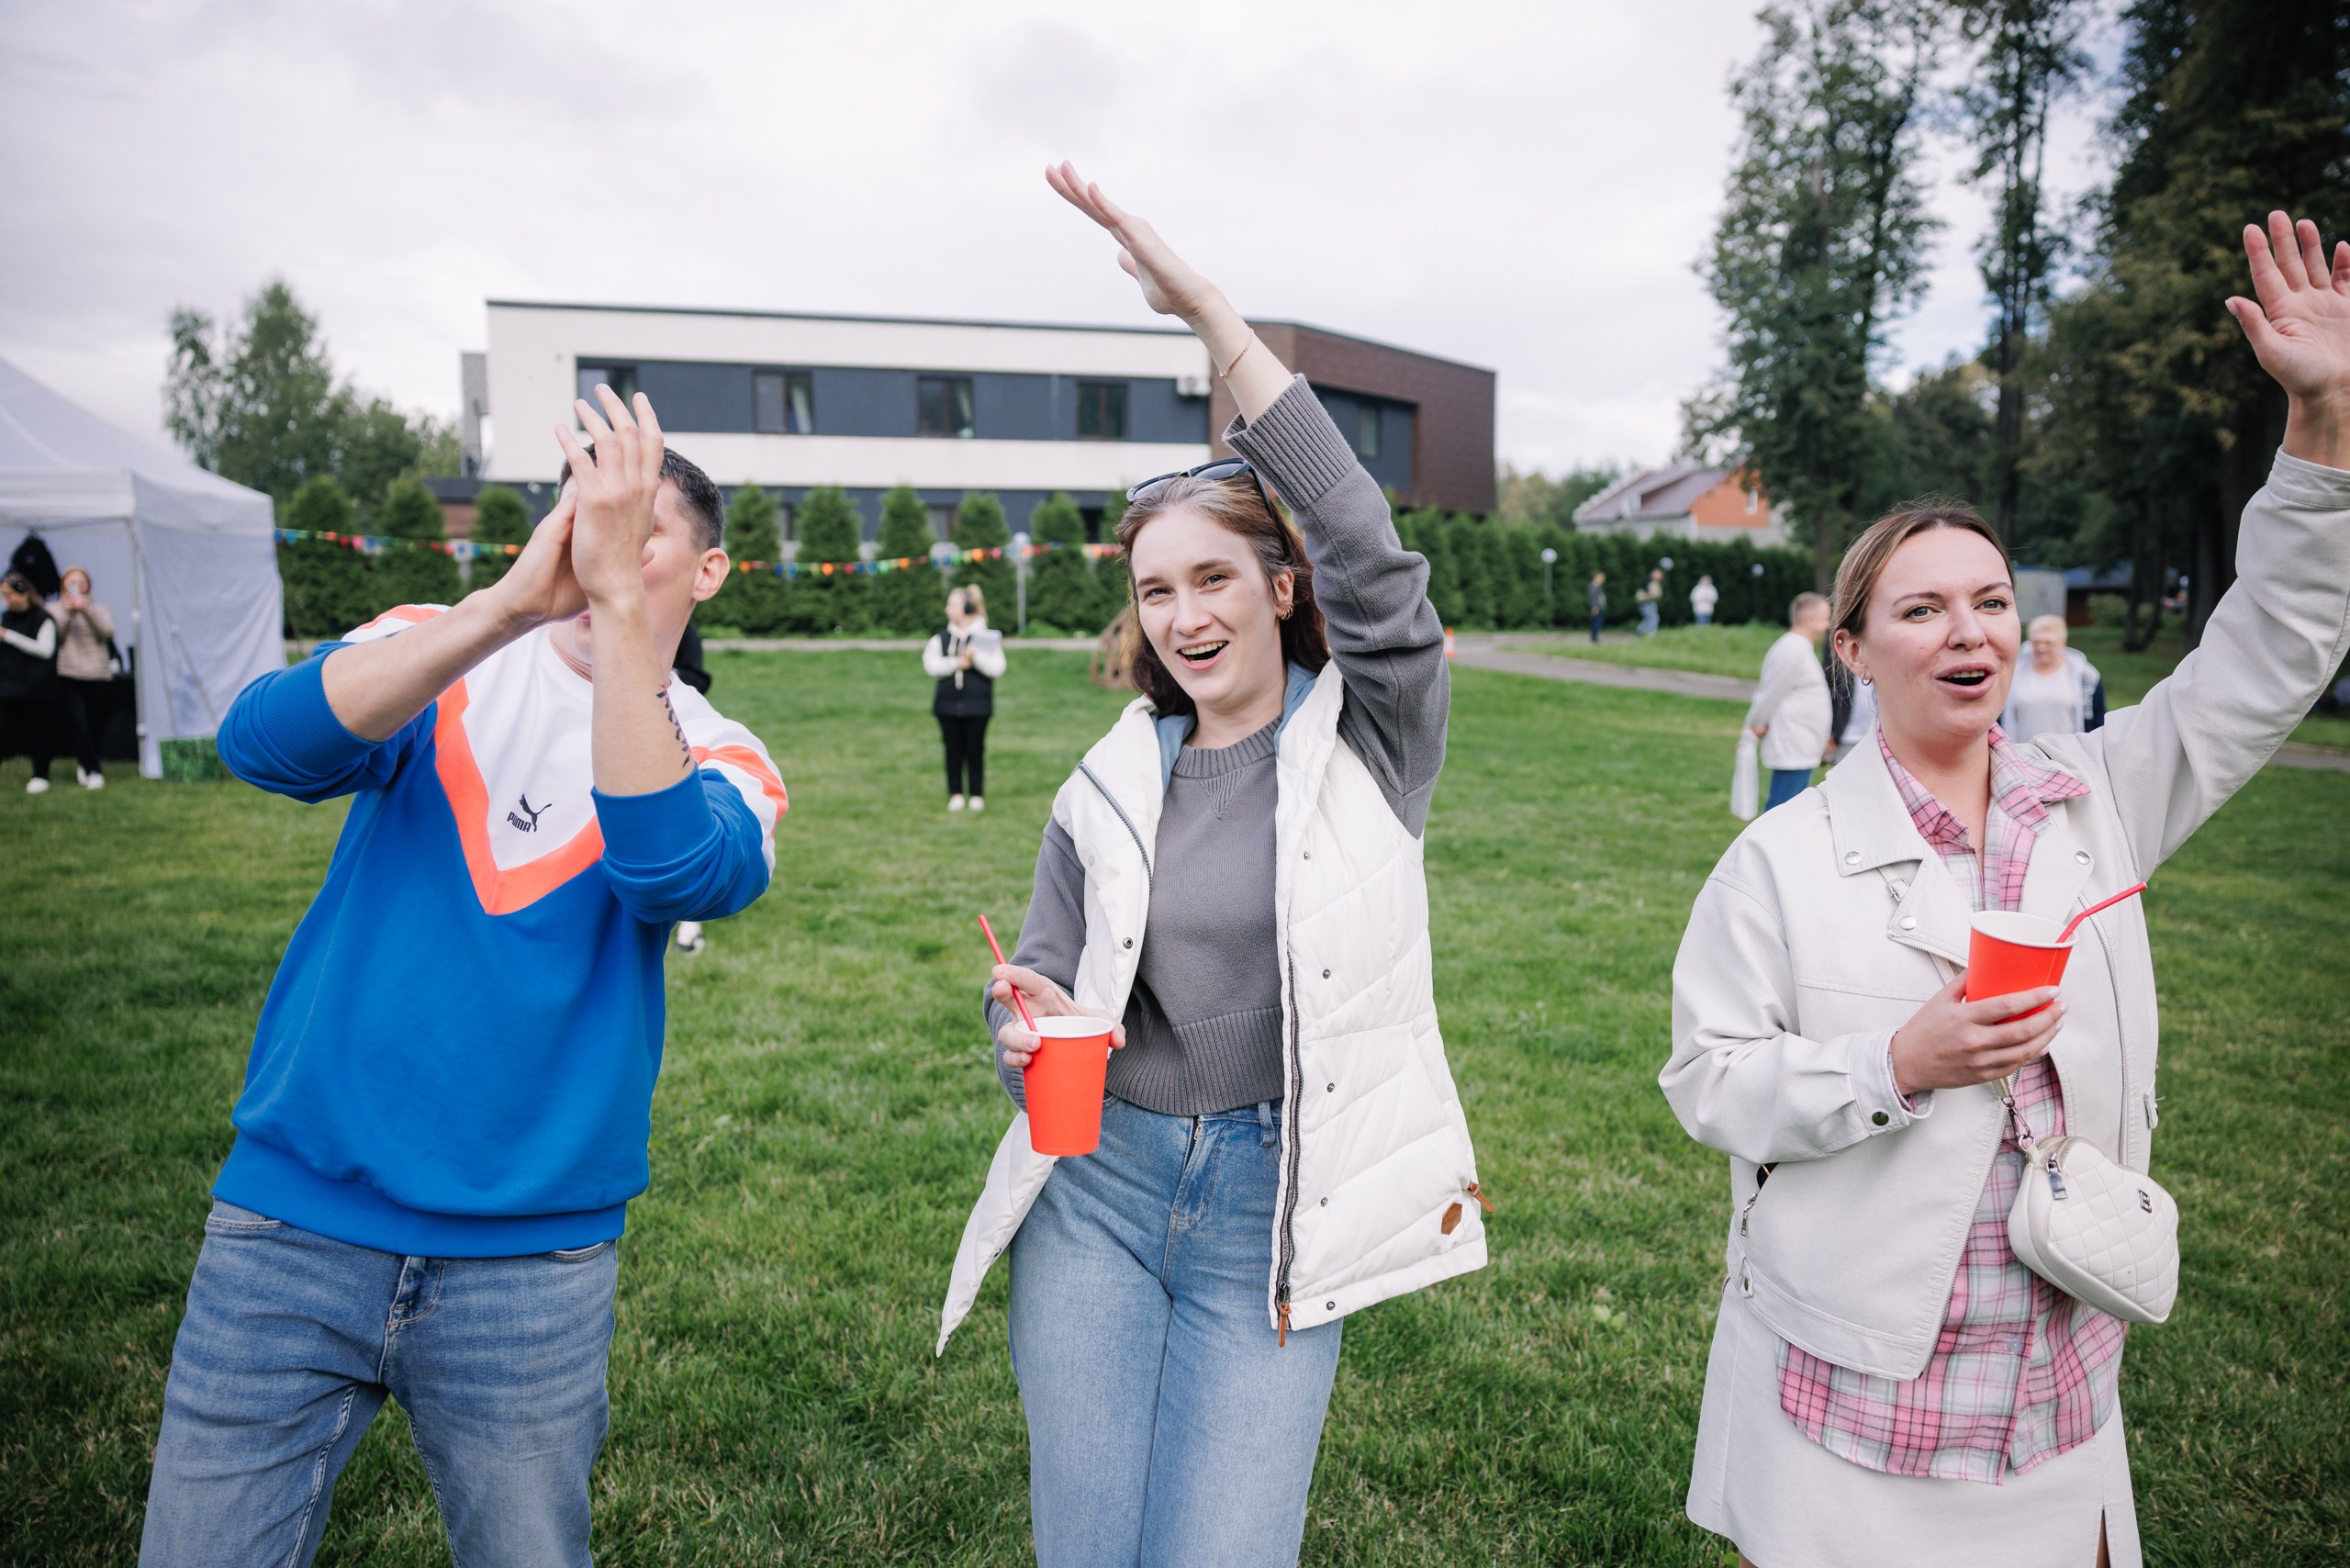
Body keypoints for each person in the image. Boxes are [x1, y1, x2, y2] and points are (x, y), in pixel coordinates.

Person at [1660, 211, 2350, 1568]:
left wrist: (2322, 428)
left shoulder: (2099, 800)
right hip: (1856, 1399)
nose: (1968, 630)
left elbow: (2272, 650)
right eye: (1921, 610)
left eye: (1987, 599)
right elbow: (1710, 1082)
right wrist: (1894, 1060)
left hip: (2059, 1378)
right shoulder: (1781, 860)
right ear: (1854, 649)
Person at [937, 163, 1489, 1568]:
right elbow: (1049, 966)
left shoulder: (1371, 742)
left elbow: (1376, 555)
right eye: (1155, 588)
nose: (1183, 615)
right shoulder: (1109, 779)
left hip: (1273, 1197)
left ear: (1280, 590)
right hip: (1101, 1189)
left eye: (1214, 580)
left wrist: (1210, 322)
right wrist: (1025, 1016)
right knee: (1089, 1547)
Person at [138, 388, 786, 1568]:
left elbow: (669, 871)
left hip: (530, 1262)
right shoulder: (438, 644)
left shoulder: (727, 752)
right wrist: (496, 610)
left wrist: (615, 620)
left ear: (711, 575)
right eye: (585, 518)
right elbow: (262, 747)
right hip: (290, 1221)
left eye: (639, 533)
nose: (601, 549)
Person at [1744, 592, 1833, 812]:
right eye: (1825, 619)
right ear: (1808, 620)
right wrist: (1755, 724)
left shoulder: (1800, 648)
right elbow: (1769, 692)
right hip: (1792, 744)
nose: (1828, 625)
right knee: (1781, 811)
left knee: (1791, 809)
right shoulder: (1791, 649)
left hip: (1802, 745)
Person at [924, 584, 1005, 812]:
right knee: (952, 749)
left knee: (975, 749)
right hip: (948, 705)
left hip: (977, 705)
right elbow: (930, 664)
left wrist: (975, 657)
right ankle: (956, 792)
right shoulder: (940, 639)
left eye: (952, 604)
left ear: (967, 608)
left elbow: (997, 667)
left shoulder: (985, 638)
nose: (947, 609)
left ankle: (977, 793)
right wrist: (954, 663)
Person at [50, 566, 117, 788]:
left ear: (88, 585)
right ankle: (92, 769)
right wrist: (68, 612)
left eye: (81, 582)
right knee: (79, 723)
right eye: (71, 582)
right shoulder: (55, 609)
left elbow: (106, 632)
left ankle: (87, 761)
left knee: (95, 722)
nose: (76, 587)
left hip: (97, 673)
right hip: (69, 673)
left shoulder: (99, 608)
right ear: (63, 585)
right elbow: (55, 636)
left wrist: (86, 609)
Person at [0, 571, 61, 793]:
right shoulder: (6, 617)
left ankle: (40, 775)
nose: (7, 600)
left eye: (10, 595)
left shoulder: (43, 619)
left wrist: (8, 636)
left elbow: (45, 651)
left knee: (38, 732)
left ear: (24, 593)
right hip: (9, 687)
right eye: (4, 596)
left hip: (37, 688)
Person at [2001, 614, 2106, 740]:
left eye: (2048, 642)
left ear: (2062, 643)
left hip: (2067, 755)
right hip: (2022, 754)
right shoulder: (2013, 673)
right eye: (2036, 642)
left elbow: (2098, 721)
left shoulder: (2086, 677)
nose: (2041, 648)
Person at [1588, 570, 1608, 643]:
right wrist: (1594, 606)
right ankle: (1594, 638)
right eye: (1601, 578)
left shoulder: (1597, 586)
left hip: (1599, 607)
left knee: (1597, 622)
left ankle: (1594, 637)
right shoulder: (1594, 586)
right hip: (1597, 607)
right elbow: (1593, 598)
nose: (1602, 580)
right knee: (1596, 622)